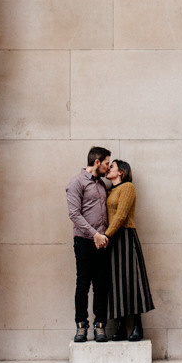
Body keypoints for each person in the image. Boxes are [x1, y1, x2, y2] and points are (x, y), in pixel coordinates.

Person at [102, 159, 154, 342]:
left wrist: (106, 235)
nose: (108, 168)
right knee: (116, 283)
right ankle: (121, 326)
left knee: (132, 281)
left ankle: (138, 326)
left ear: (121, 172)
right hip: (113, 239)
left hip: (125, 237)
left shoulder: (128, 188)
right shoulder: (110, 191)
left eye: (112, 166)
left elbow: (121, 215)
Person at [66, 146, 111, 343]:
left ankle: (100, 326)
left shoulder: (102, 184)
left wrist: (103, 236)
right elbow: (74, 214)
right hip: (84, 241)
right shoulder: (76, 182)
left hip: (103, 243)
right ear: (96, 162)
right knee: (83, 283)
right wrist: (95, 235)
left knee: (102, 284)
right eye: (107, 164)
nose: (108, 168)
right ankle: (81, 326)